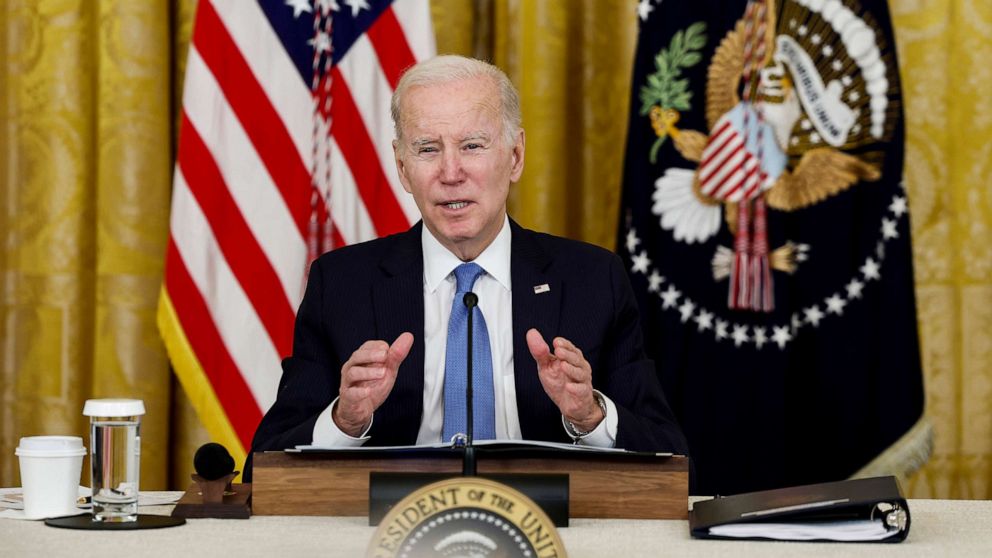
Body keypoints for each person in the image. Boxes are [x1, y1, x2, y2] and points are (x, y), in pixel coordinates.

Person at [245, 55, 687, 480]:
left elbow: (669, 455)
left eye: (472, 146)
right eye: (427, 149)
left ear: (514, 157)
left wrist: (589, 415)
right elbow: (262, 468)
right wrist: (346, 421)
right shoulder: (342, 283)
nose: (450, 172)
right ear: (402, 167)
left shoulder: (593, 280)